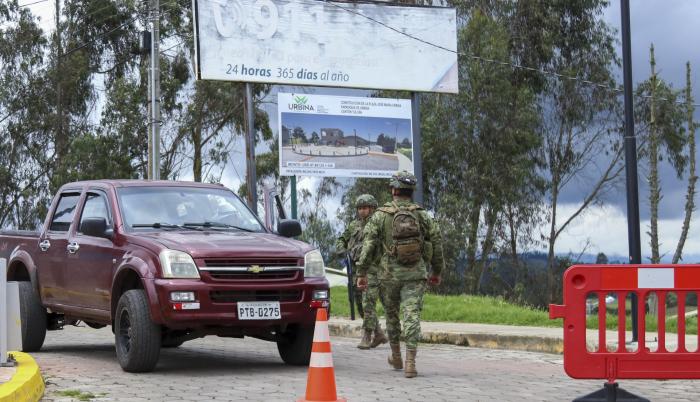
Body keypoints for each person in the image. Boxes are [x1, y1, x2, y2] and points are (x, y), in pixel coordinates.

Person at [355, 170, 444, 378]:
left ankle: (396, 356)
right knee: (412, 315)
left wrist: (362, 272)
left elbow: (368, 247)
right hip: (415, 274)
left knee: (392, 316)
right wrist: (437, 270)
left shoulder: (380, 215)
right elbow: (437, 243)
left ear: (393, 189)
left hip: (388, 276)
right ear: (411, 191)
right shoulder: (421, 214)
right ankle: (410, 362)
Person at [335, 194, 388, 349]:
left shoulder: (378, 225)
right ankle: (378, 333)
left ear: (372, 208)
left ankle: (367, 335)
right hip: (356, 270)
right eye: (359, 208)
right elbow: (341, 240)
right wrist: (342, 250)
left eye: (365, 208)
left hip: (373, 269)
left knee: (368, 302)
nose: (362, 211)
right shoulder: (353, 225)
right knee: (360, 303)